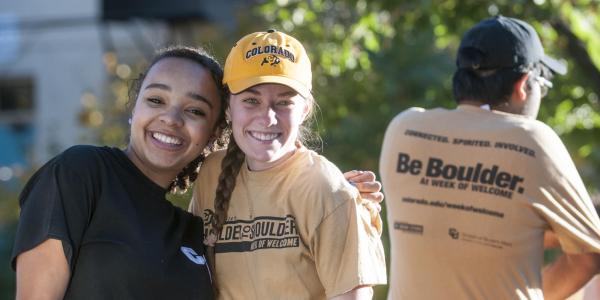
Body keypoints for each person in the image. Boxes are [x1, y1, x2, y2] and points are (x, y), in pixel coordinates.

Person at [12, 46, 383, 299]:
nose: (170, 120)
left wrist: (337, 197)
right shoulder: (81, 173)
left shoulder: (193, 226)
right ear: (134, 107)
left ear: (214, 133)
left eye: (195, 111)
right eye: (156, 100)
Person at [379, 16, 600, 300]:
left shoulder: (404, 129)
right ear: (523, 84)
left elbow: (464, 221)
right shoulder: (533, 141)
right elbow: (590, 253)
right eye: (542, 86)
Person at [190, 30, 387, 299]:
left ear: (305, 109)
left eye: (283, 102)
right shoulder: (211, 173)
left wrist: (346, 201)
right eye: (251, 100)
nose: (267, 117)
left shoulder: (326, 189)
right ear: (228, 106)